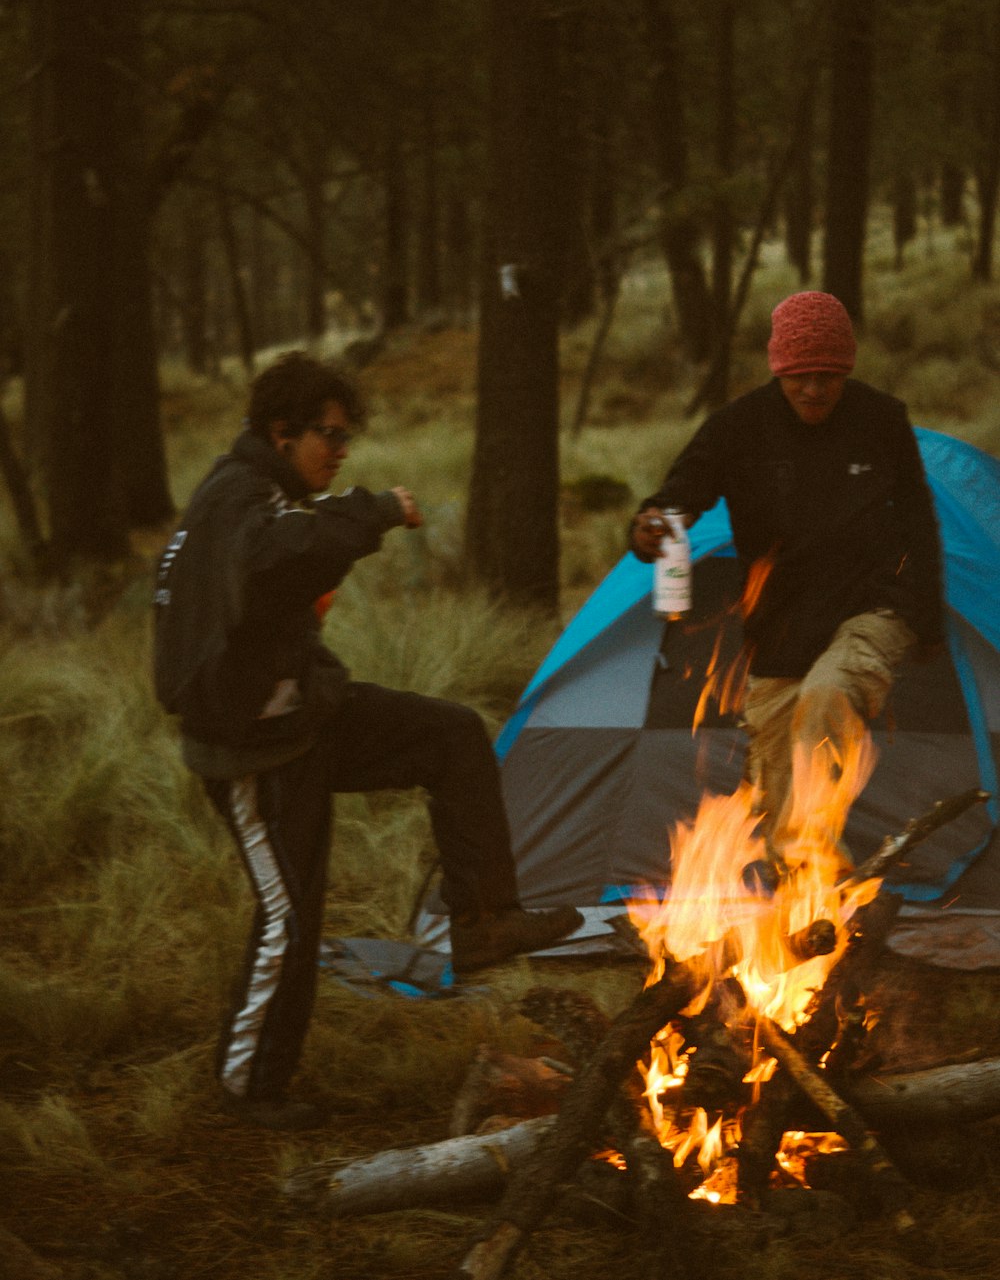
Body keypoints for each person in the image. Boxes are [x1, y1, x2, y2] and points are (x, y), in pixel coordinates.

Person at [153, 351, 581, 1131]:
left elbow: (280, 576)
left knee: (450, 734)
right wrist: (375, 508)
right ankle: (247, 1090)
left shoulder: (265, 495)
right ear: (281, 432)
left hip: (304, 718)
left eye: (347, 436)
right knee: (289, 915)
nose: (341, 449)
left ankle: (483, 918)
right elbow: (282, 551)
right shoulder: (237, 500)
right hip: (250, 749)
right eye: (330, 435)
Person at [630, 290, 945, 868]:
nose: (814, 389)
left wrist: (927, 621)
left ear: (846, 371)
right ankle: (804, 914)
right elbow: (677, 499)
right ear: (779, 371)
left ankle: (820, 868)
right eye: (800, 377)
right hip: (780, 623)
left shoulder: (881, 419)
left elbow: (919, 520)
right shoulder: (736, 428)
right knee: (775, 770)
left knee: (827, 697)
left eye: (828, 376)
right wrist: (648, 527)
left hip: (873, 605)